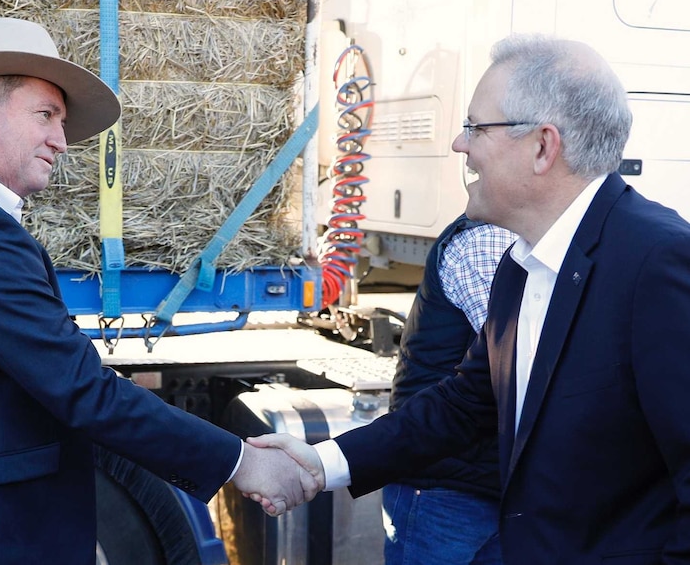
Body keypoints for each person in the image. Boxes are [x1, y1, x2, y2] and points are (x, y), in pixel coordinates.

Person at [0, 17, 316, 564]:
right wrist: (241, 461)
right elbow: (79, 387)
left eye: (62, 122)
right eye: (45, 115)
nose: (62, 141)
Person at [250, 33, 690, 564]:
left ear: (543, 146)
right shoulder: (518, 265)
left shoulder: (657, 260)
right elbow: (464, 404)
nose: (460, 145)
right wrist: (323, 463)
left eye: (476, 127)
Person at [384, 214, 514, 565]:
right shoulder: (487, 240)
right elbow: (522, 361)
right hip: (450, 489)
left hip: (493, 481)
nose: (463, 154)